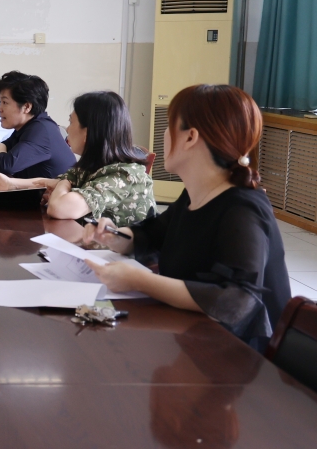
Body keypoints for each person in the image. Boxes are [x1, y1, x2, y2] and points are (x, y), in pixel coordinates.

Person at [83, 84, 290, 351]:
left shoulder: (242, 209)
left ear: (190, 137)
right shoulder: (195, 194)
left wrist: (139, 281)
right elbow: (154, 234)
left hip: (244, 357)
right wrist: (114, 236)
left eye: (169, 126)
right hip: (195, 339)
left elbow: (237, 300)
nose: (164, 135)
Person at [0, 91, 155, 226]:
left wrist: (62, 184)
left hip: (121, 260)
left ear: (88, 133)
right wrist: (10, 184)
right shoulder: (93, 166)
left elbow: (59, 208)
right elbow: (48, 183)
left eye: (71, 122)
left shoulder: (123, 174)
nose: (67, 130)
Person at [0, 73, 75, 179]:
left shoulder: (41, 131)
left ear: (26, 107)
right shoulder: (28, 126)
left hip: (52, 195)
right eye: (0, 102)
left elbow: (6, 166)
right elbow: (5, 148)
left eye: (5, 102)